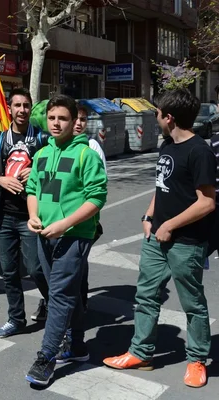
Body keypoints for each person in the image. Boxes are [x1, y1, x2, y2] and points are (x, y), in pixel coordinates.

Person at [103, 89, 215, 389]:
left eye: (158, 112)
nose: (155, 116)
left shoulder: (199, 151)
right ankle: (141, 353)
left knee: (193, 304)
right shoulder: (167, 145)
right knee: (145, 297)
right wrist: (149, 216)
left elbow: (207, 202)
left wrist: (171, 226)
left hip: (187, 242)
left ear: (169, 117)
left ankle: (196, 359)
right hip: (156, 238)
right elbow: (161, 186)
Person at [24, 94, 107, 386]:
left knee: (59, 295)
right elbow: (32, 187)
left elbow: (97, 198)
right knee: (58, 289)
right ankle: (79, 345)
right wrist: (33, 214)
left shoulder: (86, 154)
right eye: (52, 118)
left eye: (62, 118)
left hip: (74, 235)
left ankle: (46, 357)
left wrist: (64, 224)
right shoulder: (42, 153)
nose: (56, 123)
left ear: (74, 122)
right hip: (44, 232)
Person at [0, 88, 50, 339]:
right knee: (9, 271)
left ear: (31, 108)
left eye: (26, 105)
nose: (22, 110)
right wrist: (1, 180)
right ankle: (16, 319)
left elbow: (55, 168)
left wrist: (37, 171)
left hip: (32, 215)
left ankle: (56, 308)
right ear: (9, 109)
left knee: (35, 268)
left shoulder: (42, 139)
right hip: (3, 215)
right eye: (17, 105)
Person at [73, 104, 107, 311]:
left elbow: (99, 190)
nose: (78, 123)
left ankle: (80, 304)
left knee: (78, 265)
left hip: (84, 221)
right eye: (75, 119)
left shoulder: (92, 146)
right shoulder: (57, 145)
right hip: (58, 221)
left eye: (83, 120)